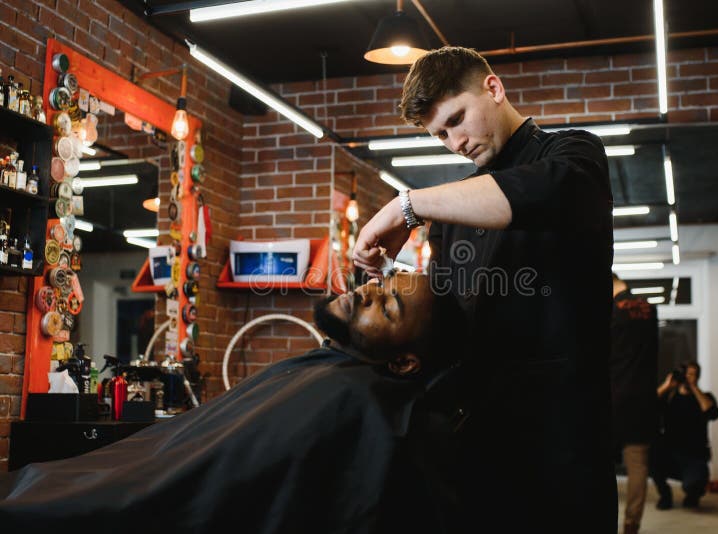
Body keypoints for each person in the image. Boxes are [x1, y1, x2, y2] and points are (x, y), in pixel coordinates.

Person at [353, 46, 617, 532]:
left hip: (563, 444)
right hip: (478, 443)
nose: (455, 143)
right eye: (440, 134)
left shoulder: (575, 156)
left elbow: (541, 191)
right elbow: (444, 330)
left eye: (457, 119)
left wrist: (406, 205)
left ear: (493, 89)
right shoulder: (451, 220)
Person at [1, 272, 451, 534]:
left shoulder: (354, 404)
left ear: (406, 364)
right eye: (384, 280)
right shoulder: (333, 373)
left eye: (388, 307)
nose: (369, 288)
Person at [609, 273, 659, 534]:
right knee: (638, 464)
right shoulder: (649, 309)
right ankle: (631, 526)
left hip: (611, 396)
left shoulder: (610, 311)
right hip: (642, 399)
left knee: (597, 462)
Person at [651, 361, 718, 510]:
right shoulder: (670, 396)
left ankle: (692, 495)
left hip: (695, 456)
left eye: (692, 374)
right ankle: (665, 495)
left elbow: (713, 413)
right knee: (650, 457)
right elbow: (647, 405)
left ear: (698, 377)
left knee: (695, 483)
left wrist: (694, 388)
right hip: (670, 453)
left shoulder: (704, 397)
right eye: (686, 374)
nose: (687, 377)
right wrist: (666, 385)